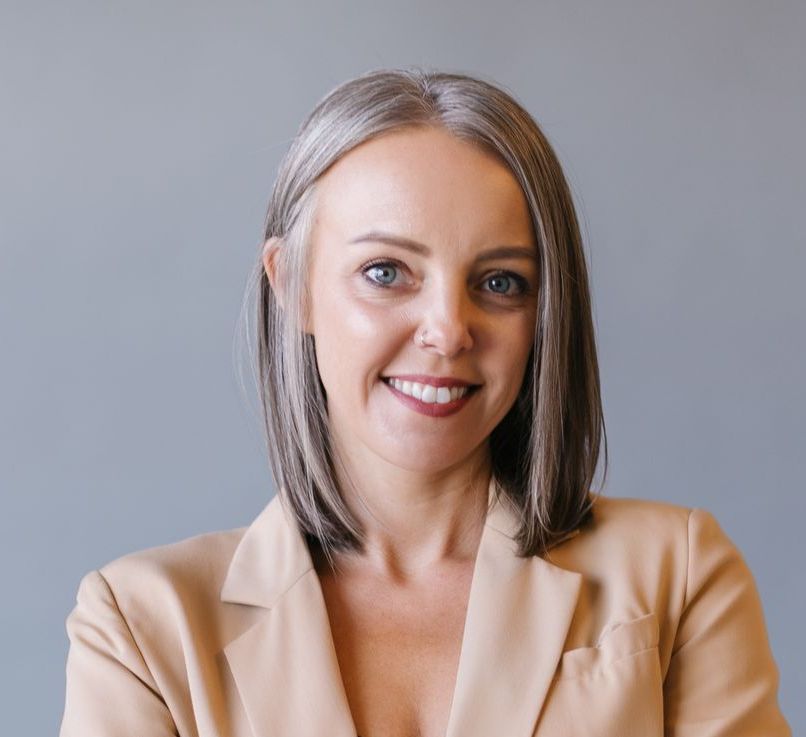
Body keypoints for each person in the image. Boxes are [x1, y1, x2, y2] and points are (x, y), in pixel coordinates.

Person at [59, 68, 791, 737]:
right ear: (293, 286)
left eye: (501, 281)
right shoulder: (140, 627)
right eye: (386, 271)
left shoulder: (679, 574)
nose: (448, 330)